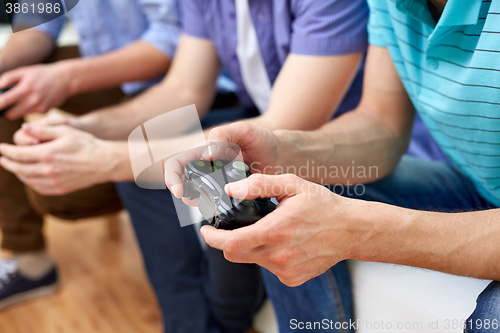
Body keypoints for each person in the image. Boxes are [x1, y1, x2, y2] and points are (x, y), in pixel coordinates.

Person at [167, 0, 500, 332]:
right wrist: (281, 151)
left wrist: (359, 232)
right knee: (286, 191)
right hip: (478, 183)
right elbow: (381, 124)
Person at [0, 0, 179, 314]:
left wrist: (68, 80)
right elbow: (36, 21)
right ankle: (30, 261)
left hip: (176, 84)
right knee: (7, 88)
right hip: (134, 81)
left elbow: (179, 56)